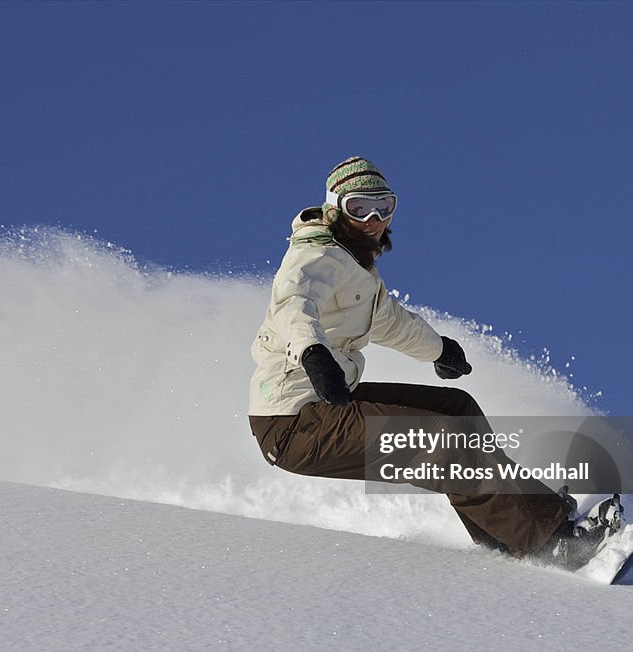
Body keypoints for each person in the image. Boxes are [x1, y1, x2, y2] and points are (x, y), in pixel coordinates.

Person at [247, 156, 607, 567]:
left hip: (324, 408)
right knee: (441, 439)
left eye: (384, 207)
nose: (373, 220)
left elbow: (390, 322)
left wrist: (439, 349)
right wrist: (313, 353)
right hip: (292, 424)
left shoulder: (357, 269)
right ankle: (548, 542)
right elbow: (293, 303)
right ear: (336, 210)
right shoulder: (315, 256)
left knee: (458, 409)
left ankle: (516, 528)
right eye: (359, 208)